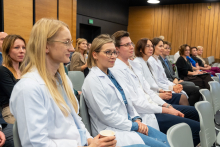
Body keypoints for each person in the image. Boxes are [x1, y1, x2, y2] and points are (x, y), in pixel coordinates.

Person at [9, 18, 117, 147]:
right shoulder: (28, 88)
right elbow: (36, 144)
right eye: (66, 42)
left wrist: (91, 141)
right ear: (45, 46)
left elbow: (76, 122)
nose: (72, 49)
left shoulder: (62, 80)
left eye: (70, 42)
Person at [110, 31, 200, 146]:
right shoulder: (117, 69)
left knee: (194, 113)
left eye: (131, 43)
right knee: (195, 128)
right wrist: (166, 109)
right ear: (117, 49)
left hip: (154, 107)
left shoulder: (134, 65)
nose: (131, 47)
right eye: (127, 44)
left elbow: (148, 91)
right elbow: (136, 102)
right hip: (145, 114)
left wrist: (166, 105)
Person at [83, 34, 169, 147]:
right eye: (108, 52)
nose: (113, 56)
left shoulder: (112, 74)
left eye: (114, 52)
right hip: (112, 131)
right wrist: (134, 125)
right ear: (95, 54)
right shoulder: (92, 80)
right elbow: (106, 116)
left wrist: (136, 118)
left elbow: (127, 100)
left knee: (167, 141)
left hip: (128, 124)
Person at [148, 38, 189, 105]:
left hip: (166, 86)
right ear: (154, 47)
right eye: (160, 46)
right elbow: (157, 82)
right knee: (183, 97)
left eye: (162, 46)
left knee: (183, 93)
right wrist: (172, 87)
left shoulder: (158, 60)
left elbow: (165, 79)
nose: (162, 49)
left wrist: (175, 85)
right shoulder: (151, 61)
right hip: (160, 90)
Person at [159, 41, 200, 106]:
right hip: (169, 83)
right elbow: (162, 78)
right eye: (166, 48)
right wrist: (174, 81)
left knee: (194, 85)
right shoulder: (159, 61)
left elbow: (173, 73)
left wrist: (176, 78)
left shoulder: (166, 60)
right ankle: (190, 107)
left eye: (169, 48)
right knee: (195, 89)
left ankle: (190, 105)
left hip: (174, 81)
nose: (168, 50)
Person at [0, 34, 26, 124]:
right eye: (16, 47)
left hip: (27, 107)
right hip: (10, 111)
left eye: (23, 47)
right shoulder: (2, 70)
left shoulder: (25, 70)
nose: (21, 51)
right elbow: (15, 96)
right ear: (7, 51)